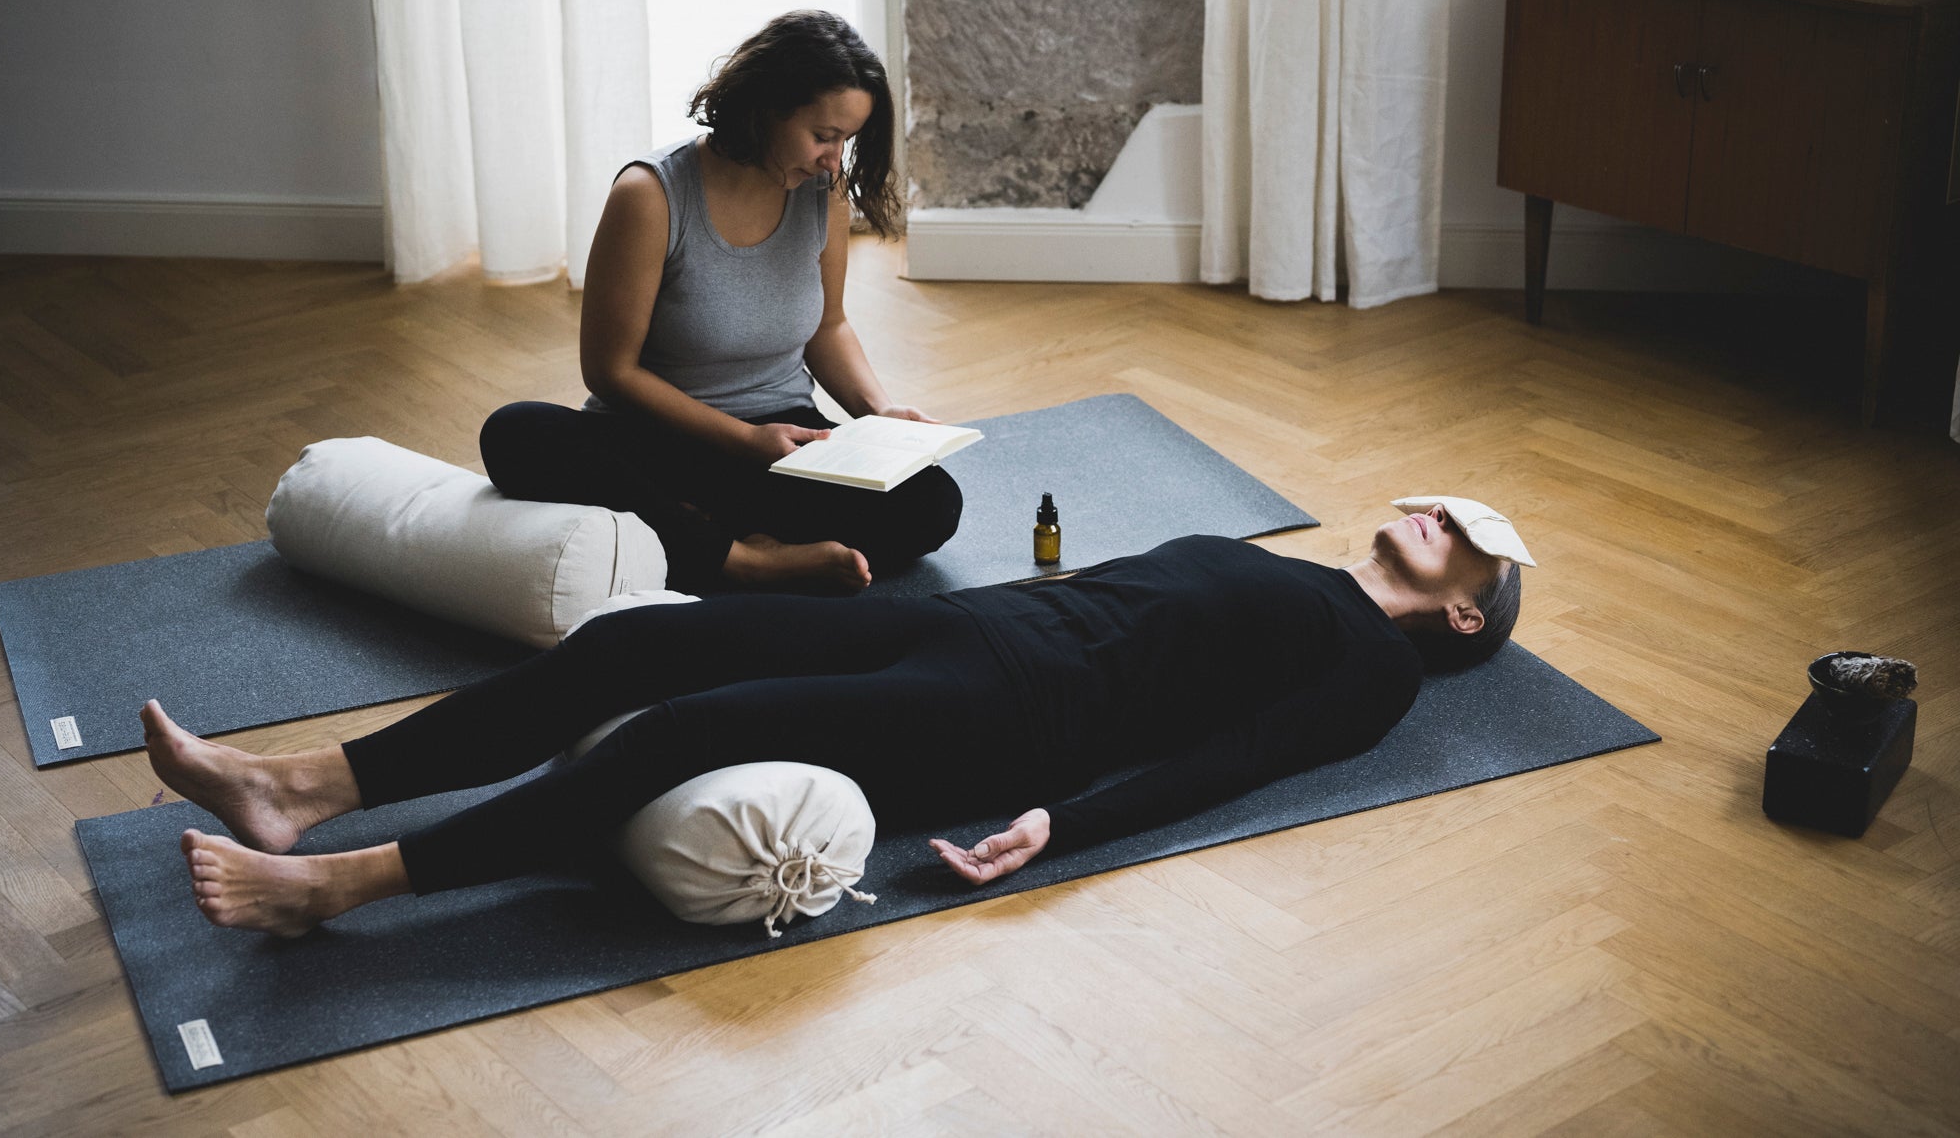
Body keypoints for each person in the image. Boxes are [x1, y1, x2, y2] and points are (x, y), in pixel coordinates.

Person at [142, 501, 1527, 938]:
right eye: (1440, 499)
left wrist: (1069, 822)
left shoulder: (1378, 666)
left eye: (1465, 537)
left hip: (1019, 711)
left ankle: (335, 884)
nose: (1435, 512)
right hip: (979, 622)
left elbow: (1239, 759)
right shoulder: (1288, 564)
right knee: (639, 639)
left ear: (1465, 613)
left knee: (690, 731)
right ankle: (308, 782)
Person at [480, 9, 958, 595]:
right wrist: (743, 441)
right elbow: (610, 372)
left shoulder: (821, 194)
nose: (835, 160)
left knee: (932, 502)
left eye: (846, 141)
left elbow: (828, 328)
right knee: (517, 432)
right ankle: (744, 560)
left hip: (781, 440)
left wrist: (878, 415)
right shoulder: (650, 196)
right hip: (657, 441)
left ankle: (684, 537)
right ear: (766, 105)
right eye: (824, 136)